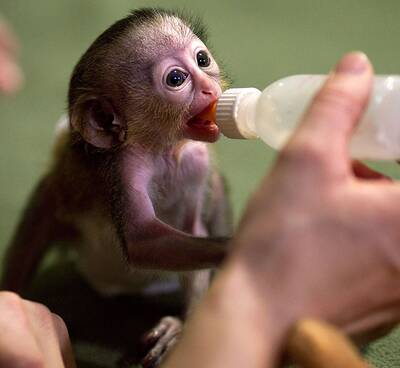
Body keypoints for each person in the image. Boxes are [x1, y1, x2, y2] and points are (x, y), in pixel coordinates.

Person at [2, 52, 400, 368]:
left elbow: (198, 228)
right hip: (93, 266)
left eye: (203, 60)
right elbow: (136, 242)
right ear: (109, 121)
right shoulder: (117, 163)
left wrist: (199, 313)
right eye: (176, 79)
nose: (211, 86)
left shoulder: (195, 159)